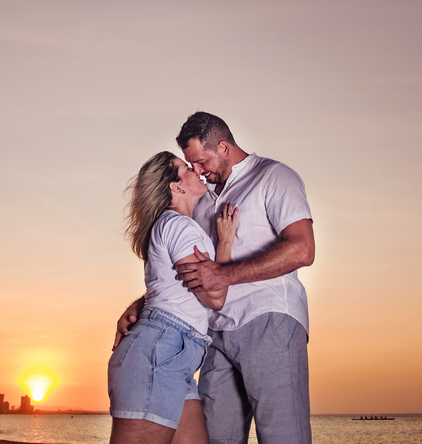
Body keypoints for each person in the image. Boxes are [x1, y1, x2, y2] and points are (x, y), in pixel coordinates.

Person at [116, 112, 315, 444]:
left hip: (268, 321)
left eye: (200, 161)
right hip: (214, 335)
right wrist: (141, 305)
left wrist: (223, 273)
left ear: (223, 147)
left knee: (283, 437)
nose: (197, 170)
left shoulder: (274, 176)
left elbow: (302, 250)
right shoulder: (201, 201)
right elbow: (188, 268)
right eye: (190, 165)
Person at [108, 151, 240, 444]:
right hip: (161, 353)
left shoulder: (175, 226)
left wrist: (135, 306)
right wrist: (226, 241)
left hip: (176, 357)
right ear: (176, 187)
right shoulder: (179, 226)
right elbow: (215, 296)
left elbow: (170, 286)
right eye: (185, 168)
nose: (196, 169)